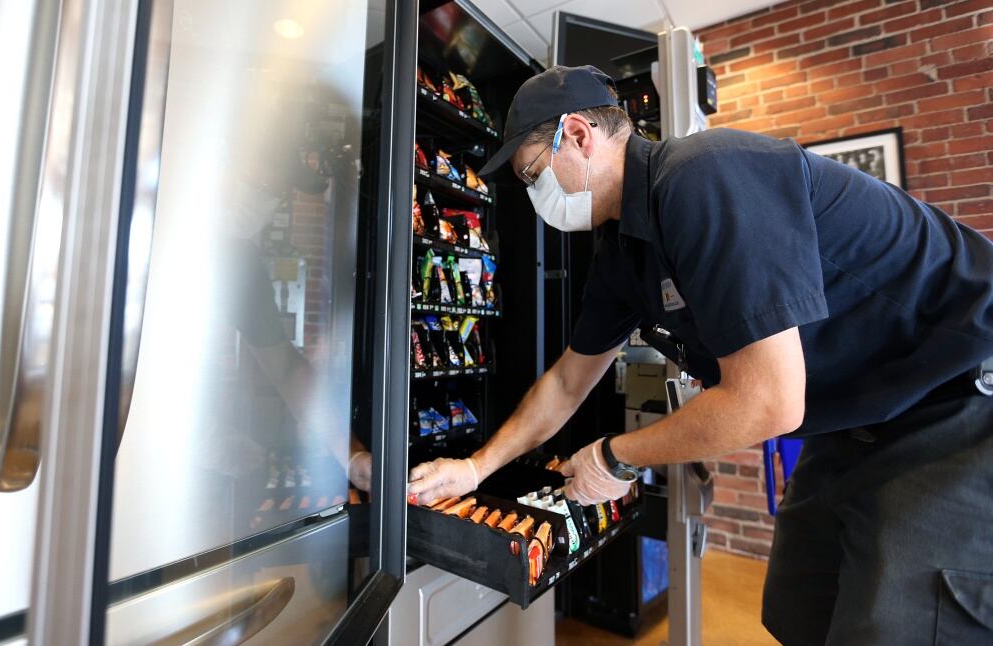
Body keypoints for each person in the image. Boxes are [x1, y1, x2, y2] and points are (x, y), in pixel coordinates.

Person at [406, 65, 993, 645]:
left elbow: (769, 401)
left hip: (958, 393)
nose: (535, 195)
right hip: (864, 417)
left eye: (532, 173)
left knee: (900, 624)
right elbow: (567, 382)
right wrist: (476, 468)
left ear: (579, 136)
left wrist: (616, 457)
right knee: (800, 600)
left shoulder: (705, 178)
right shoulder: (622, 251)